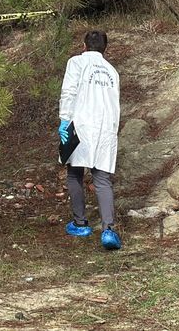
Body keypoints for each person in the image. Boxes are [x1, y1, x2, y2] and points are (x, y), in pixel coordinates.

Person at [58, 31, 122, 250]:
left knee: (75, 173)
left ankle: (80, 222)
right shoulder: (112, 71)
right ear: (105, 48)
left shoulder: (76, 63)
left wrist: (64, 120)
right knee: (102, 179)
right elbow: (115, 104)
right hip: (105, 129)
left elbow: (68, 92)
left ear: (83, 45)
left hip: (81, 125)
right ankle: (108, 230)